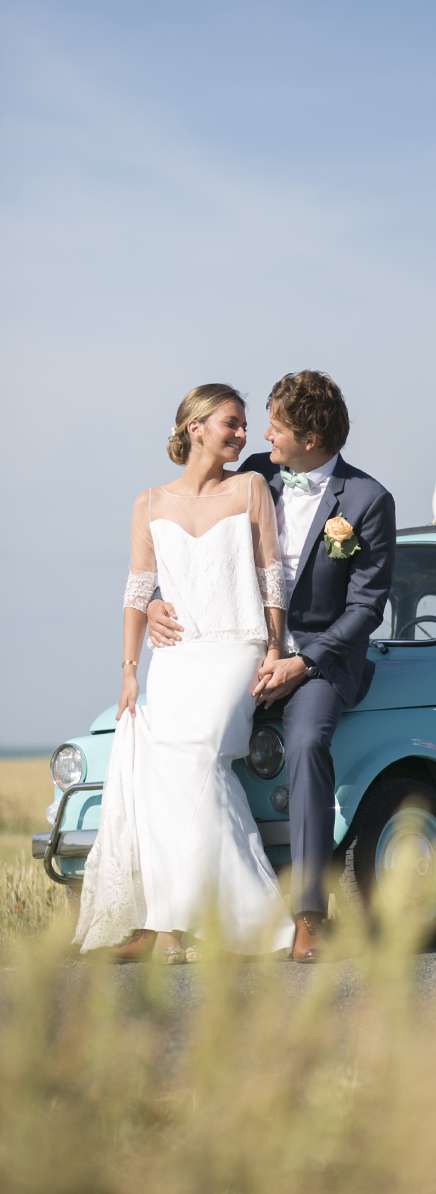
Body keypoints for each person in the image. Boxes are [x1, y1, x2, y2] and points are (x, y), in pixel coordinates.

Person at [146, 370, 395, 963]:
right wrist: (155, 597)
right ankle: (167, 911)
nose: (265, 434)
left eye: (277, 426)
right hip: (238, 644)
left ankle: (309, 913)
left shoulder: (367, 501)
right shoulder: (256, 470)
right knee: (182, 741)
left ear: (310, 436)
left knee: (308, 743)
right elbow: (194, 530)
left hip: (318, 658)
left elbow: (366, 608)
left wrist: (301, 661)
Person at [75, 385, 295, 962]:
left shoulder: (250, 489)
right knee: (159, 760)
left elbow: (272, 576)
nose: (244, 435)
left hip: (236, 648)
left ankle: (221, 925)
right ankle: (179, 929)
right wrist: (129, 671)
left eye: (246, 425)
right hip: (173, 657)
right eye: (232, 423)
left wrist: (273, 647)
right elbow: (137, 589)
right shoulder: (148, 502)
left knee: (195, 756)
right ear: (196, 426)